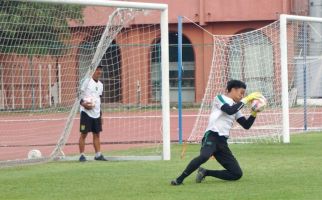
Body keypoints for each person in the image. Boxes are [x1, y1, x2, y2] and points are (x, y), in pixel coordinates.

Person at [171, 80, 262, 185]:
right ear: (233, 90)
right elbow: (229, 110)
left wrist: (254, 112)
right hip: (212, 136)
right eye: (241, 93)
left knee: (236, 174)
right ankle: (179, 179)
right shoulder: (220, 98)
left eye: (244, 94)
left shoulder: (236, 107)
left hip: (222, 142)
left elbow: (246, 125)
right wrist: (247, 99)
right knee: (204, 156)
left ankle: (205, 172)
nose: (242, 96)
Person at [78, 65, 107, 162]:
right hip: (86, 113)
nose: (99, 72)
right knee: (84, 134)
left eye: (100, 70)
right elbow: (79, 96)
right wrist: (84, 104)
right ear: (93, 71)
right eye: (97, 70)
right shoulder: (86, 81)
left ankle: (98, 154)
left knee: (97, 134)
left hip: (96, 113)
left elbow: (99, 100)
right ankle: (82, 155)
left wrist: (101, 115)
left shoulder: (101, 85)